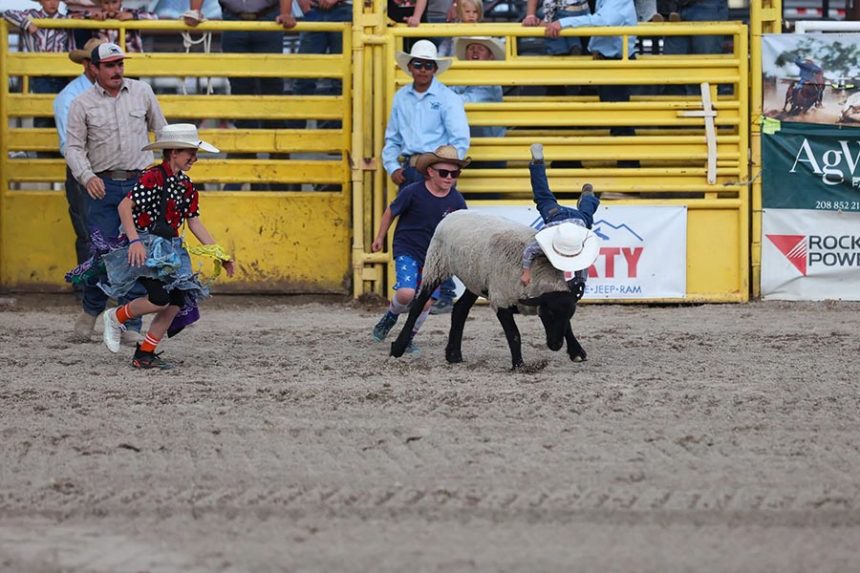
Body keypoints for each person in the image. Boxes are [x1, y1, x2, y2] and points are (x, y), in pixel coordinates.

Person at [99, 124, 235, 369]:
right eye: (189, 153)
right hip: (149, 245)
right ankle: (116, 316)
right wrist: (135, 241)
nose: (194, 158)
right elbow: (124, 207)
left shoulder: (186, 186)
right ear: (173, 152)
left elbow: (193, 221)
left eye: (194, 153)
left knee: (177, 300)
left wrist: (219, 253)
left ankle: (145, 354)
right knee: (160, 298)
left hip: (171, 248)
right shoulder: (152, 177)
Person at [65, 42, 167, 341]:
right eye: (109, 65)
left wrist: (161, 173)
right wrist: (86, 176)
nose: (117, 70)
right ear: (93, 69)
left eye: (119, 64)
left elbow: (161, 131)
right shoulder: (82, 103)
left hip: (139, 183)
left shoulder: (142, 91)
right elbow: (73, 147)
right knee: (102, 253)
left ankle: (129, 324)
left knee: (137, 254)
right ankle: (91, 310)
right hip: (102, 185)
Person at [382, 39, 469, 314]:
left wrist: (446, 169)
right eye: (418, 64)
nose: (422, 69)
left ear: (434, 68)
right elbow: (392, 138)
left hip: (436, 165)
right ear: (410, 67)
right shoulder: (402, 98)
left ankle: (443, 290)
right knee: (419, 229)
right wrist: (391, 165)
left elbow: (459, 138)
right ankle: (425, 290)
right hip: (414, 167)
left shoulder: (447, 99)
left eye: (427, 65)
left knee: (439, 231)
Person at [185, 0, 296, 190]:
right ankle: (248, 152)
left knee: (271, 89)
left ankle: (276, 153)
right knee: (240, 88)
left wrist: (286, 13)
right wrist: (195, 11)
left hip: (268, 19)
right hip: (234, 20)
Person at [370, 145, 469, 353]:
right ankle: (391, 316)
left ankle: (407, 337)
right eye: (444, 172)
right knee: (406, 293)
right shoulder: (413, 192)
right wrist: (380, 236)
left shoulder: (457, 200)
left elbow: (463, 226)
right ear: (430, 172)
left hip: (435, 258)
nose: (449, 177)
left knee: (425, 303)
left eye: (454, 173)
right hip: (408, 248)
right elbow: (391, 211)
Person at [543, 0, 639, 169]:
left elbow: (605, 21)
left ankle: (628, 175)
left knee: (619, 122)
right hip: (606, 61)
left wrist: (563, 22)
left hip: (613, 63)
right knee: (614, 120)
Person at [53, 37, 107, 271]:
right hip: (84, 169)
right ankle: (90, 291)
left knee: (103, 230)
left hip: (108, 167)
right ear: (88, 65)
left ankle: (95, 290)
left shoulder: (109, 92)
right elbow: (71, 146)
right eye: (103, 63)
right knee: (88, 231)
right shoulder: (70, 97)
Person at [521, 143, 600, 300]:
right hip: (566, 219)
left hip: (566, 219)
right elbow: (583, 263)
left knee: (584, 214)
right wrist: (580, 280)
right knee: (543, 196)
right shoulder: (577, 244)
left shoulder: (549, 241)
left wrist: (526, 272)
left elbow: (529, 251)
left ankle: (538, 164)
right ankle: (588, 197)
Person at [3, 0, 72, 125]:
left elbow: (71, 46)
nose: (52, 3)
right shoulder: (32, 16)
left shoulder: (66, 19)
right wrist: (27, 23)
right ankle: (41, 141)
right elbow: (8, 13)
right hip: (39, 73)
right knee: (43, 112)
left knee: (62, 112)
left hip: (61, 73)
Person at [291, 0, 353, 126]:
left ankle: (335, 133)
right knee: (304, 78)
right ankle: (297, 133)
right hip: (318, 9)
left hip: (342, 10)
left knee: (342, 78)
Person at [451, 36, 505, 170]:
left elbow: (468, 100)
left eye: (481, 49)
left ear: (490, 56)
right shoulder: (459, 77)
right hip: (466, 148)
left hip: (489, 150)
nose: (475, 52)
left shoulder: (491, 80)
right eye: (471, 48)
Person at [80, 0, 158, 54]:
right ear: (101, 3)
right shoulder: (96, 15)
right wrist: (91, 18)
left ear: (121, 1)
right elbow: (73, 16)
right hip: (105, 61)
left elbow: (154, 16)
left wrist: (132, 16)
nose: (110, 7)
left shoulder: (129, 12)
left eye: (114, 2)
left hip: (131, 58)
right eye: (106, 3)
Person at [522, 0, 590, 57]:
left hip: (565, 10)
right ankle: (573, 44)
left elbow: (549, 5)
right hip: (584, 11)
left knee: (550, 24)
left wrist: (545, 21)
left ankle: (561, 49)